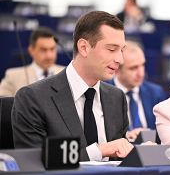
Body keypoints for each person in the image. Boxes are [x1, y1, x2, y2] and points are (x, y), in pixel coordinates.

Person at [12, 11, 133, 161]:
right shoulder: (33, 98)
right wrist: (98, 151)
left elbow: (120, 159)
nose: (120, 59)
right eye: (112, 49)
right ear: (83, 47)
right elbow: (35, 160)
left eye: (121, 50)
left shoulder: (117, 98)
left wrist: (140, 153)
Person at [108, 40, 167, 141]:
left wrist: (147, 134)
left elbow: (164, 132)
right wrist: (126, 136)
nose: (141, 73)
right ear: (116, 70)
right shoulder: (103, 94)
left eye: (142, 65)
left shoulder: (156, 93)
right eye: (133, 68)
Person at [0, 27, 64, 96]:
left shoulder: (66, 73)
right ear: (31, 50)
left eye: (52, 49)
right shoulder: (13, 76)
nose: (49, 56)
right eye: (43, 50)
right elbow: (3, 104)